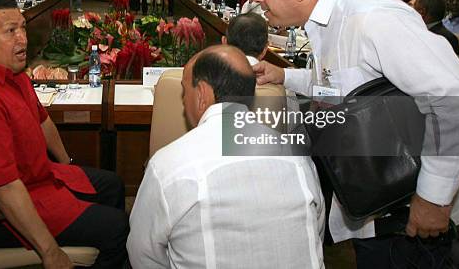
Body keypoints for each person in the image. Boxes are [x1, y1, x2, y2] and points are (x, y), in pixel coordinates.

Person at [250, 0, 459, 269]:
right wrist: (285, 78)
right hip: (375, 210)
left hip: (408, 216)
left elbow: (455, 100)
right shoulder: (326, 24)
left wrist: (433, 198)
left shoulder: (371, 17)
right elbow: (342, 93)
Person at [0, 0, 128, 268]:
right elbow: (3, 187)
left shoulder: (13, 73)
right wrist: (49, 252)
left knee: (112, 185)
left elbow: (42, 121)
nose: (23, 39)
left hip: (37, 179)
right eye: (11, 31)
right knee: (117, 228)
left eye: (23, 28)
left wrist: (67, 165)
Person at [127, 45, 324, 268]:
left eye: (185, 91)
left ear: (201, 94)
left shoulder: (168, 165)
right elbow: (315, 230)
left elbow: (142, 253)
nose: (183, 102)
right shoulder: (299, 159)